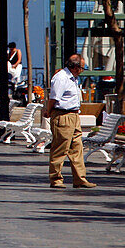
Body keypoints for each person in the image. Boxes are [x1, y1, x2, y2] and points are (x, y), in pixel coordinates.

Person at [42, 54, 95, 188]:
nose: (82, 70)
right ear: (75, 67)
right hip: (63, 116)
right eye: (82, 68)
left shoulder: (73, 79)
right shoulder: (61, 78)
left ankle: (80, 178)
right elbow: (54, 98)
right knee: (60, 148)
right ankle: (56, 179)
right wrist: (49, 111)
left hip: (74, 115)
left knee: (77, 148)